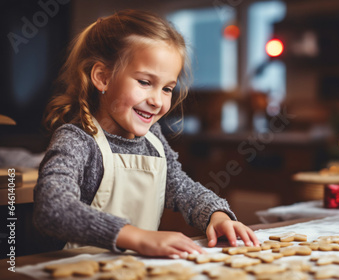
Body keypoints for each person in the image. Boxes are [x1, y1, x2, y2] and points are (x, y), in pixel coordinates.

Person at [33, 9, 259, 258]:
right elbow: (52, 209)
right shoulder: (76, 140)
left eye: (167, 88)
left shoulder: (153, 138)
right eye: (144, 82)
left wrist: (216, 215)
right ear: (103, 77)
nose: (157, 101)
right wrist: (138, 237)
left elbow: (181, 188)